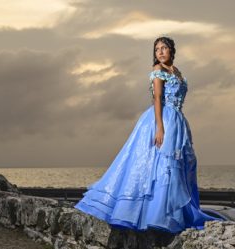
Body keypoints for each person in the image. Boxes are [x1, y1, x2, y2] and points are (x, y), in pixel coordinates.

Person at [75, 36, 220, 233]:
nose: (160, 52)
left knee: (176, 166)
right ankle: (154, 215)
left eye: (164, 48)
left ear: (172, 51)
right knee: (161, 165)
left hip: (177, 121)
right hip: (160, 119)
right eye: (157, 49)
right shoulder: (157, 71)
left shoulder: (177, 73)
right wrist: (160, 127)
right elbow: (157, 99)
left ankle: (173, 214)